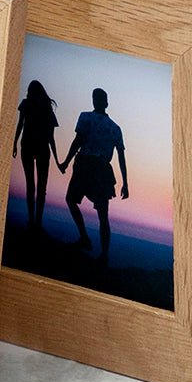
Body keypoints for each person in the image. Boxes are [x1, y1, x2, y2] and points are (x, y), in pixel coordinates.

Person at [58, 88, 128, 263]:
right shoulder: (115, 128)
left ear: (95, 101)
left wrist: (66, 162)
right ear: (106, 103)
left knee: (72, 200)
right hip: (101, 170)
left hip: (86, 165)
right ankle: (103, 254)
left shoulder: (86, 118)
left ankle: (85, 239)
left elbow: (78, 142)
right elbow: (121, 156)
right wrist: (125, 183)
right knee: (102, 215)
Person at [13, 80, 61, 232]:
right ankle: (37, 222)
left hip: (27, 146)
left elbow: (20, 124)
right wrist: (57, 160)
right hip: (42, 149)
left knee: (31, 185)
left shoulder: (26, 104)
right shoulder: (47, 109)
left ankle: (32, 220)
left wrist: (14, 143)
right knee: (41, 188)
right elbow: (51, 138)